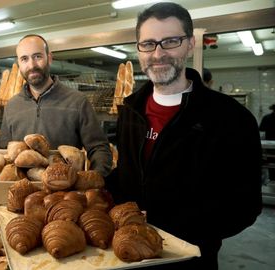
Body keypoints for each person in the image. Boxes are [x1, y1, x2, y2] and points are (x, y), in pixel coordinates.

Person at [110, 3, 262, 269]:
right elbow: (128, 176)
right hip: (127, 255)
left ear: (190, 44)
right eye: (148, 44)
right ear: (139, 50)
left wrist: (177, 233)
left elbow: (244, 205)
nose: (158, 54)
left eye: (170, 41)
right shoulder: (130, 111)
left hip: (190, 259)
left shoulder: (230, 118)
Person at [0, 34, 112, 177]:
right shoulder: (12, 106)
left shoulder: (77, 101)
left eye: (37, 56)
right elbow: (4, 151)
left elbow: (99, 149)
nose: (32, 65)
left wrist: (95, 181)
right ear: (19, 64)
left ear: (49, 58)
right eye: (24, 59)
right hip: (24, 193)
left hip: (64, 192)